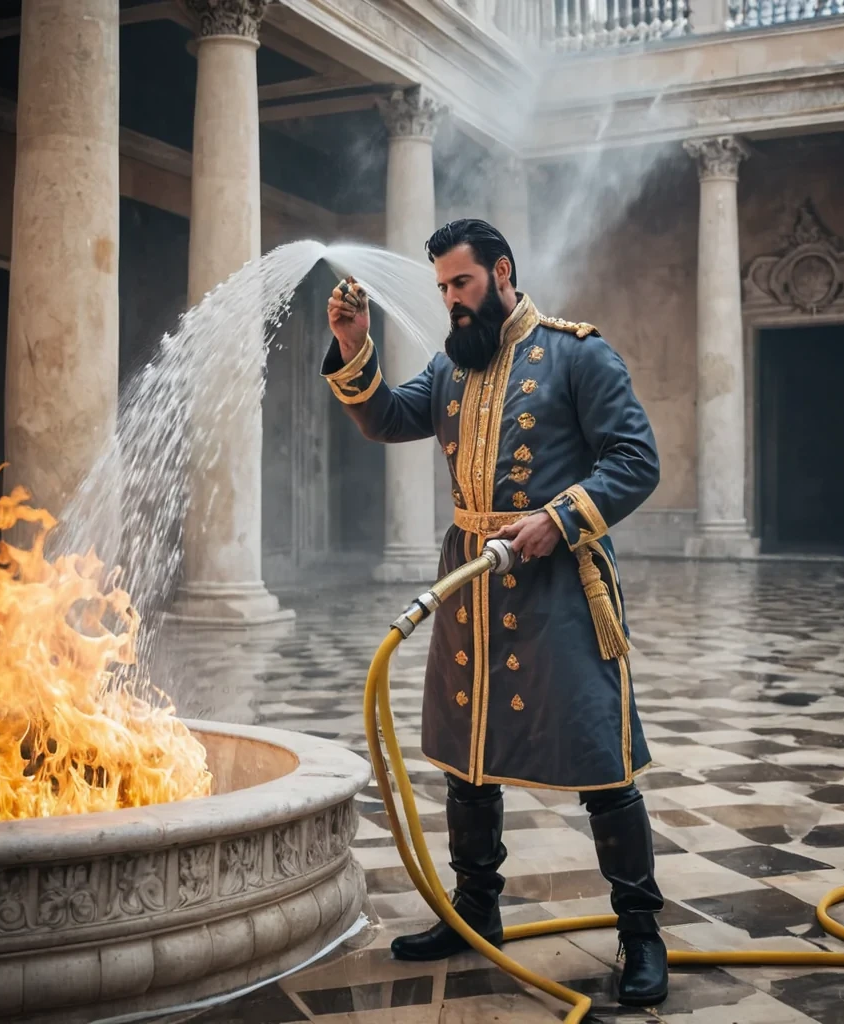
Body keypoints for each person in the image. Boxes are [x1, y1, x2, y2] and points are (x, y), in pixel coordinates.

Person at [322, 219, 667, 1007]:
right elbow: (385, 418)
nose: (450, 300)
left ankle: (642, 935)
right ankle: (475, 911)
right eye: (443, 288)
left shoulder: (579, 354)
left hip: (561, 586)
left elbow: (636, 459)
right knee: (463, 757)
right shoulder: (453, 368)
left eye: (462, 284)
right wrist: (352, 344)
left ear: (502, 272)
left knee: (600, 762)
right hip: (471, 581)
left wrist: (561, 516)